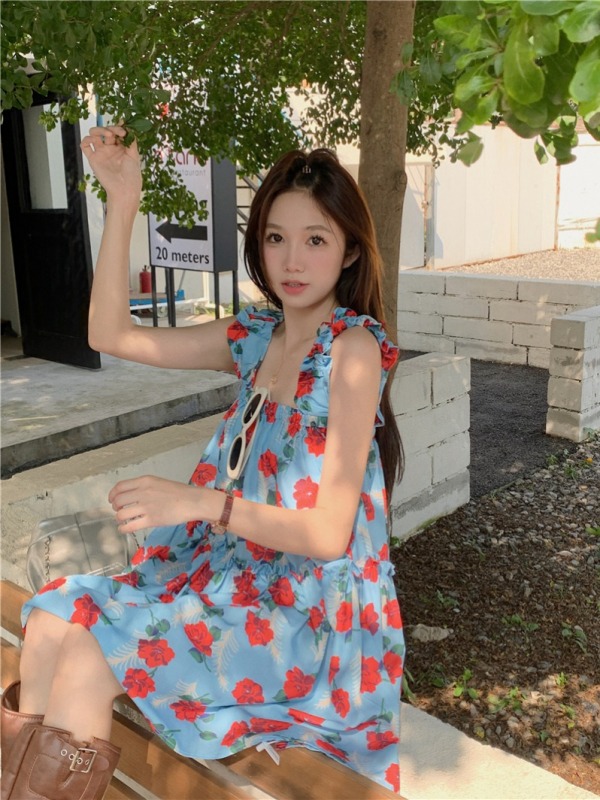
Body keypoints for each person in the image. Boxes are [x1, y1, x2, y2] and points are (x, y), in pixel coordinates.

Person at [0, 128, 405, 799]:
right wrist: (123, 199)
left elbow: (330, 533)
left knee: (89, 651)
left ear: (350, 250)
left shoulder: (352, 351)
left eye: (315, 239)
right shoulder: (256, 337)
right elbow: (109, 333)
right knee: (50, 619)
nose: (292, 260)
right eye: (276, 237)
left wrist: (195, 502)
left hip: (309, 615)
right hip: (230, 583)